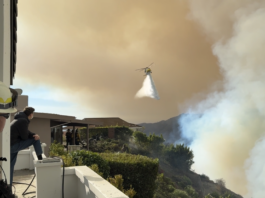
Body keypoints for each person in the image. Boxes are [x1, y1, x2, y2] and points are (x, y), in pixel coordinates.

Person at [10, 106, 43, 185]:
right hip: (13, 146)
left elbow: (26, 131)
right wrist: (35, 136)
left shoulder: (18, 119)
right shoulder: (23, 121)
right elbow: (24, 137)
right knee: (36, 140)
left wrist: (34, 134)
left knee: (10, 168)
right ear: (31, 114)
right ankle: (40, 158)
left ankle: (8, 188)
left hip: (10, 146)